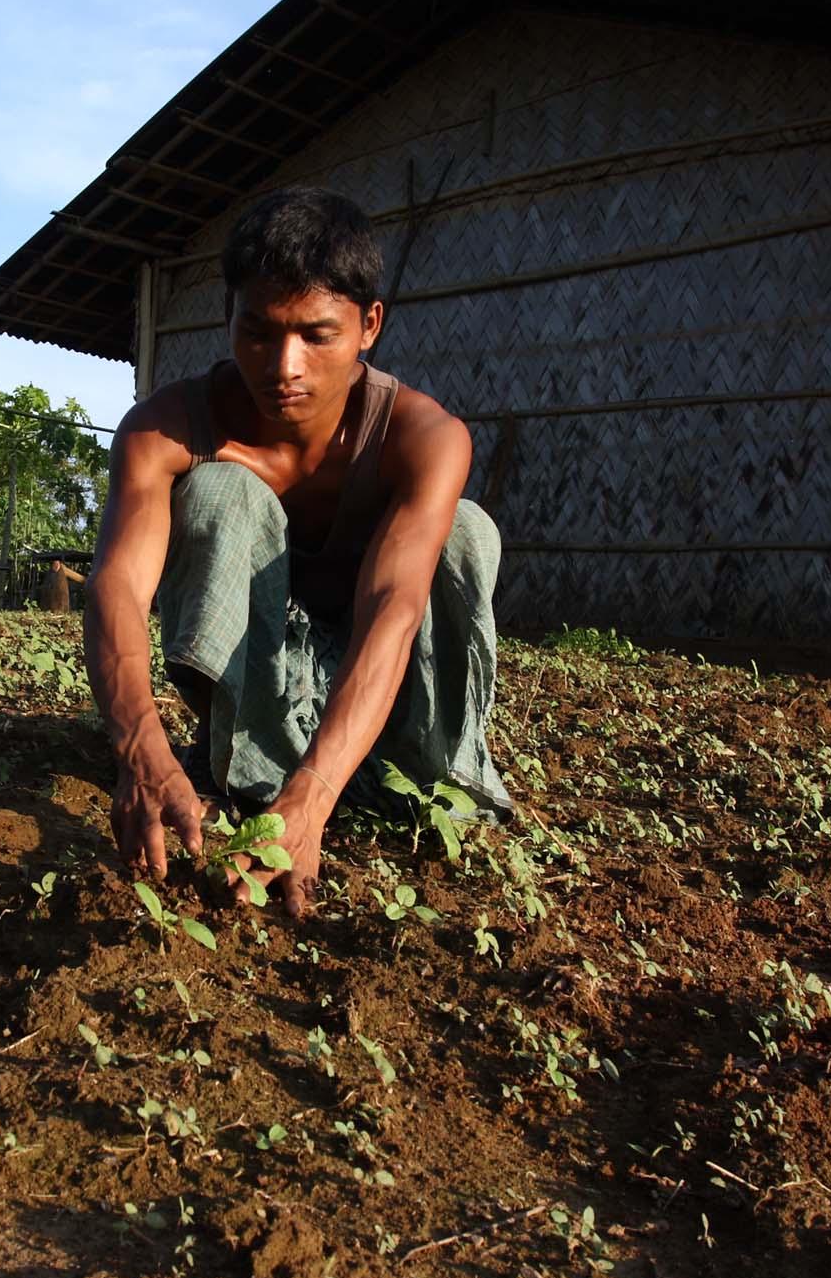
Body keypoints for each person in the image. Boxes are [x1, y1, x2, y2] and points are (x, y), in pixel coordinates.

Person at [84, 185, 511, 918]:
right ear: (228, 319)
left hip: (383, 682)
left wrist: (312, 799)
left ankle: (391, 774)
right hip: (260, 677)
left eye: (316, 335)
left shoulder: (424, 438)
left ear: (368, 324)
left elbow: (394, 611)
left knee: (467, 531)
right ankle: (248, 777)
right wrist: (139, 747)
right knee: (221, 493)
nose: (284, 365)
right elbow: (117, 587)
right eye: (258, 331)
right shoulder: (164, 429)